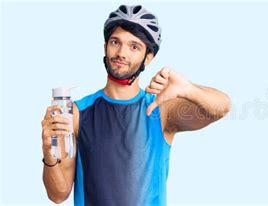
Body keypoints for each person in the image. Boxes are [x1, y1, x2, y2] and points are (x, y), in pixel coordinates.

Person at [40, 5, 231, 205]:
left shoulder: (161, 109)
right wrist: (48, 152)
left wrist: (188, 89)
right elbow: (58, 194)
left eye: (134, 46)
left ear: (148, 57)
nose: (121, 53)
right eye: (115, 42)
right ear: (105, 46)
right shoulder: (78, 113)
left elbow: (222, 107)